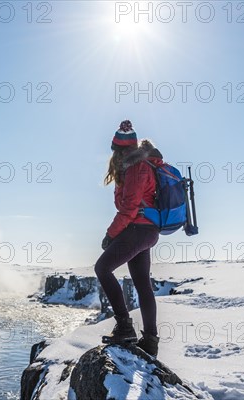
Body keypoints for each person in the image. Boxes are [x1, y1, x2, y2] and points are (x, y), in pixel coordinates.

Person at [95, 120, 162, 357]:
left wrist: (110, 234)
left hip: (139, 228)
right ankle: (151, 342)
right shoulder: (138, 166)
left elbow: (130, 207)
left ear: (119, 150)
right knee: (142, 282)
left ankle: (124, 326)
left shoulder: (136, 168)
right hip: (146, 230)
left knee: (102, 268)